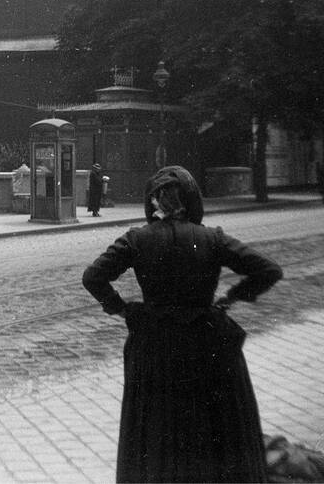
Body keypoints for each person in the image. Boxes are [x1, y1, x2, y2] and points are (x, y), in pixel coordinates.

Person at [82, 166, 282, 482]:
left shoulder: (137, 239)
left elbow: (93, 276)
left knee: (156, 429)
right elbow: (268, 270)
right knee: (211, 426)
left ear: (155, 203)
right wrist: (231, 297)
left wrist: (124, 311)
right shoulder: (212, 238)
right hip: (207, 346)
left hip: (155, 347)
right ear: (191, 201)